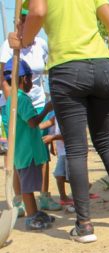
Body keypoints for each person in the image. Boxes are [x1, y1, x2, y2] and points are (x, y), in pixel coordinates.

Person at [9, 0, 109, 243]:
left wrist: (23, 40)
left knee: (76, 149)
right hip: (102, 66)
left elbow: (37, 11)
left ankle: (84, 225)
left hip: (67, 69)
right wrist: (108, 62)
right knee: (105, 142)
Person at [0, 8, 61, 212]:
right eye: (21, 21)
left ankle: (43, 196)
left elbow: (48, 71)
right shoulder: (8, 47)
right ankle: (20, 201)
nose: (24, 25)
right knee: (21, 154)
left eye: (28, 21)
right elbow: (4, 80)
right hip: (16, 104)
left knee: (41, 151)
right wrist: (15, 104)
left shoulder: (41, 45)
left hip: (35, 101)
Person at [2, 58, 54, 230]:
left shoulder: (13, 99)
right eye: (31, 78)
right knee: (27, 187)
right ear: (25, 79)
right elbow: (32, 122)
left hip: (24, 150)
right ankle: (32, 217)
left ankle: (35, 212)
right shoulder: (21, 99)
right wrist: (46, 109)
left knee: (29, 184)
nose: (32, 83)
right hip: (27, 151)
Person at [40, 114, 74, 209]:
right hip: (62, 152)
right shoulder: (56, 115)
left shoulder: (69, 116)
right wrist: (32, 126)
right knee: (59, 175)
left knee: (72, 177)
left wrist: (52, 138)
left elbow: (69, 135)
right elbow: (48, 124)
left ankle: (80, 196)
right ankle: (63, 197)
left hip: (71, 152)